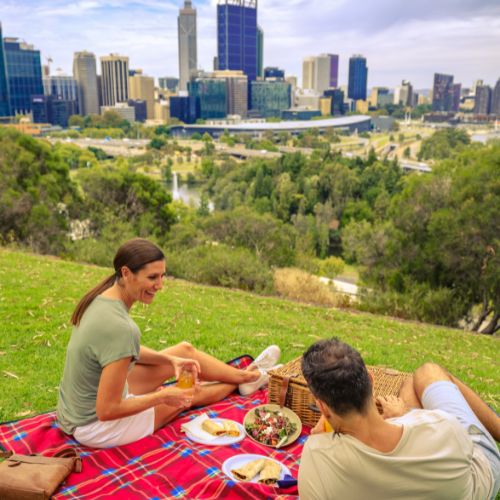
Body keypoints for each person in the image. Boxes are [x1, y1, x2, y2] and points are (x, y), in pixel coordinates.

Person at [57, 238, 281, 449]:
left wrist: (169, 359)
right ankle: (248, 382)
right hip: (93, 425)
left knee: (185, 351)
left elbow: (116, 350)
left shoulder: (100, 299)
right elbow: (107, 410)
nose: (160, 285)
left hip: (80, 405)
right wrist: (163, 396)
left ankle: (244, 375)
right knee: (188, 395)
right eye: (153, 277)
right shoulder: (122, 327)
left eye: (162, 276)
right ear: (126, 273)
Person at [298, 337, 500, 500]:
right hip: (480, 479)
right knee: (426, 372)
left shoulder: (316, 458)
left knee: (408, 386)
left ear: (322, 408)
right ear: (370, 379)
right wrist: (408, 417)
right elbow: (466, 455)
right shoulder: (444, 425)